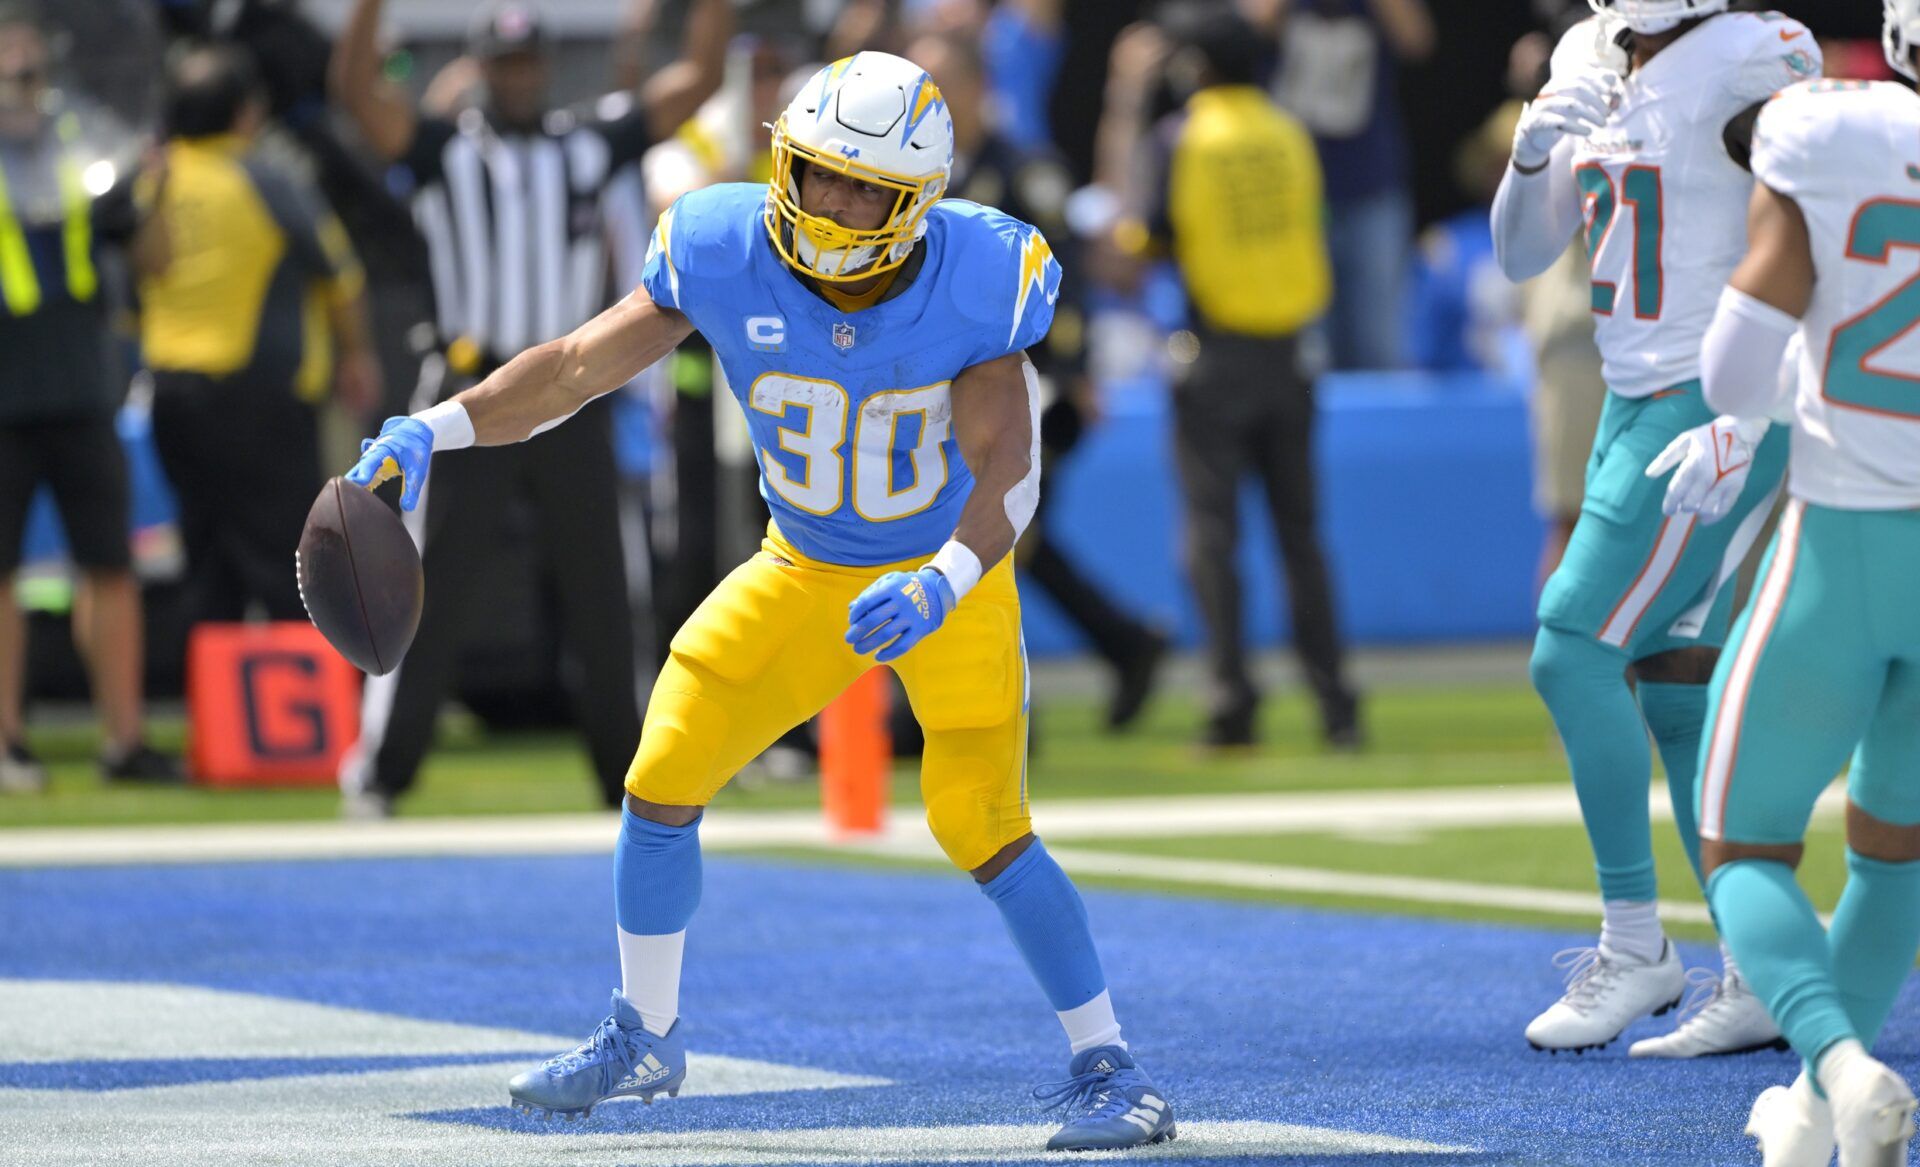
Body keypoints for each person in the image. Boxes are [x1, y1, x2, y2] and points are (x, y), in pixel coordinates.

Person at [345, 51, 1178, 1153]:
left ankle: (1113, 1068)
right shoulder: (725, 244)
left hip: (944, 575)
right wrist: (438, 429)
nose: (825, 200)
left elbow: (1009, 474)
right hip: (804, 565)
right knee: (665, 764)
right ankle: (644, 1033)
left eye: (856, 185)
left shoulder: (978, 274)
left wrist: (943, 581)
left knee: (977, 820)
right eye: (814, 170)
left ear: (915, 203)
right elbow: (574, 369)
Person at [1491, 0, 1820, 1056]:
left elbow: (1818, 238)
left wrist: (1758, 414)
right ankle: (1763, 968)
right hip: (1633, 394)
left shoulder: (1756, 54)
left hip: (1715, 399)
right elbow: (1518, 254)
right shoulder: (1588, 50)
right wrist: (1531, 152)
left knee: (1571, 647)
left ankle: (1637, 946)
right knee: (1676, 684)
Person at [326, 0, 728, 817]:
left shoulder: (588, 144)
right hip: (468, 393)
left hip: (567, 397)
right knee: (424, 587)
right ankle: (382, 772)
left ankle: (629, 776)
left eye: (528, 63)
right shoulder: (446, 148)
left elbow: (700, 82)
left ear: (543, 68)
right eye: (504, 64)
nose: (519, 77)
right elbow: (355, 91)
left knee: (606, 593)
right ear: (481, 69)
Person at [1686, 9, 1920, 1160]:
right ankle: (1824, 1113)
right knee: (1896, 846)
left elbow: (1732, 369)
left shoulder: (1829, 134)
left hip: (1845, 540)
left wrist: (1778, 399)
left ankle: (1836, 1061)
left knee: (1740, 846)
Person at [1112, 2, 1361, 750]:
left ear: (1194, 67)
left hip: (1214, 353)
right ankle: (1337, 704)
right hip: (1292, 352)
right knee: (1302, 536)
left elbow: (1145, 237)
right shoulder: (1288, 132)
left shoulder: (1181, 137)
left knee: (1210, 537)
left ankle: (1232, 704)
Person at [908, 29, 1167, 731]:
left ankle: (1010, 698)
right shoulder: (934, 176)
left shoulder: (1024, 170)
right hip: (956, 396)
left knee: (993, 534)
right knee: (1014, 536)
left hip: (1034, 389)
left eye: (938, 83)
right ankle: (1124, 642)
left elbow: (1067, 278)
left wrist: (1074, 371)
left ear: (975, 86)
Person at [140, 45, 379, 627]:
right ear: (245, 113)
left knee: (206, 568)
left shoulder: (149, 182)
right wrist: (358, 353)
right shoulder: (265, 177)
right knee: (292, 566)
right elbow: (339, 273)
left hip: (170, 397)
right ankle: (304, 710)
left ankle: (216, 713)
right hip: (259, 398)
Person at [0, 3, 177, 789]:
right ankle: (6, 742)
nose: (20, 87)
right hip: (4, 394)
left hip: (82, 387)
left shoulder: (81, 150)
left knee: (109, 565)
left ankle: (124, 739)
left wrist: (156, 192)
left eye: (31, 73)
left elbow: (152, 260)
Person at [1253, 0, 1434, 370]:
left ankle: (1381, 429)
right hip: (1289, 196)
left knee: (1379, 344)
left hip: (1370, 186)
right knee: (1305, 349)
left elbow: (1417, 41)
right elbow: (1249, 27)